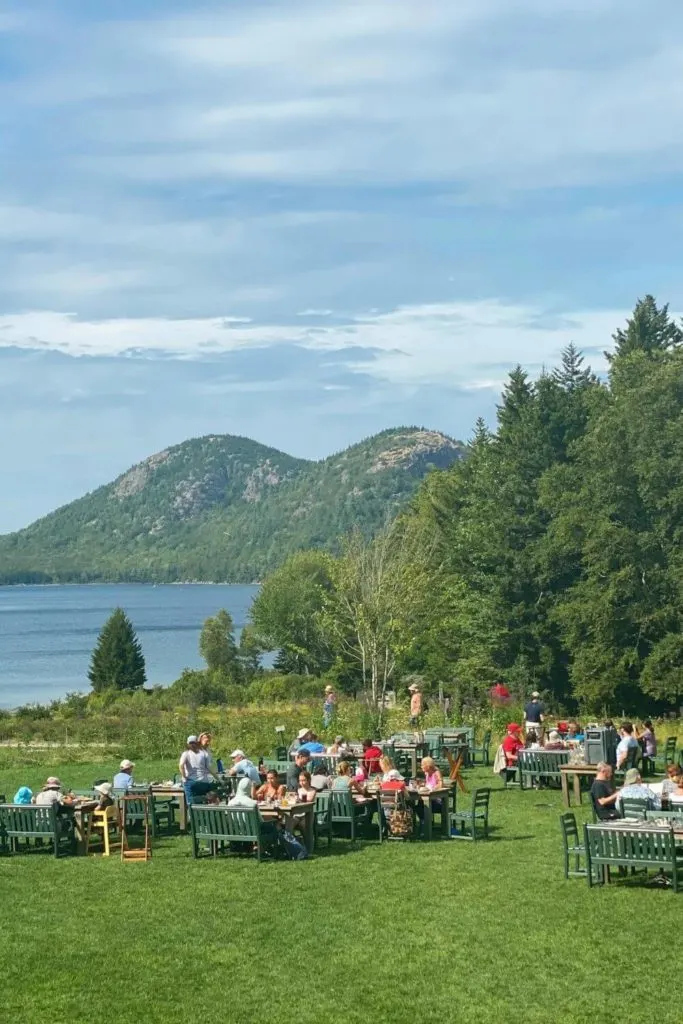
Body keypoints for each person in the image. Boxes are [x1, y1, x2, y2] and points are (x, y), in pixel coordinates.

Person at [179, 735, 215, 807]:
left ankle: (191, 815)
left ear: (188, 744)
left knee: (190, 802)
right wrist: (218, 779)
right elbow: (209, 768)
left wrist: (184, 777)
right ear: (197, 743)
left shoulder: (186, 753)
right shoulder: (204, 753)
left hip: (192, 782)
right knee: (203, 801)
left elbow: (181, 765)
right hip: (204, 782)